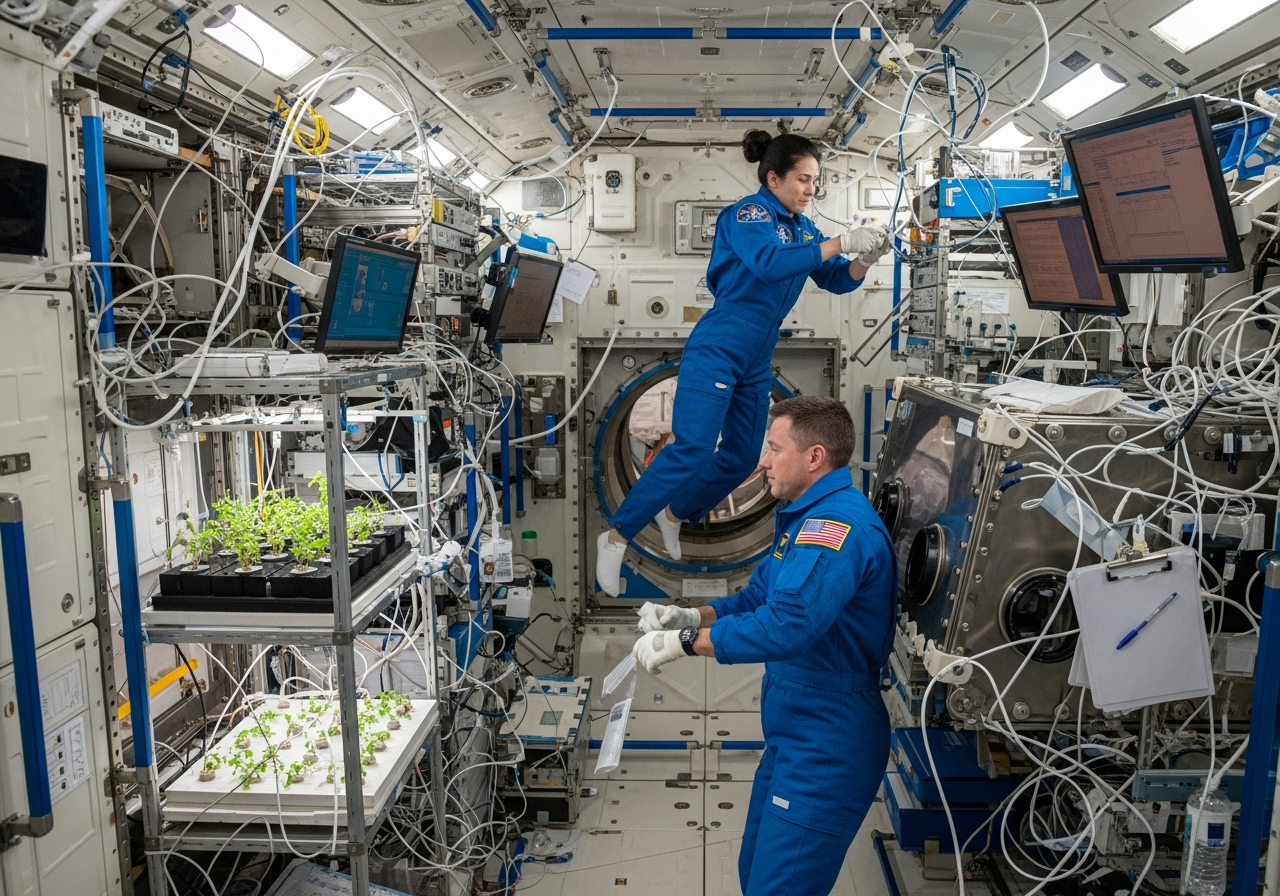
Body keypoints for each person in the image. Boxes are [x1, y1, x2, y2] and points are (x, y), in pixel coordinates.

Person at [595, 130, 893, 595]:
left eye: (816, 181)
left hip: (757, 355)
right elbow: (769, 263)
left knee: (738, 458)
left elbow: (837, 281)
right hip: (720, 345)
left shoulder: (802, 228)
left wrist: (866, 259)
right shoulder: (748, 214)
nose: (811, 190)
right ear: (773, 178)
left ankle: (674, 513)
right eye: (803, 179)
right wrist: (841, 241)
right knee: (692, 447)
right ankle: (615, 537)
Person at [631, 396, 897, 896]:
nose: (762, 461)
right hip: (795, 732)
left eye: (774, 448)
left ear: (814, 457)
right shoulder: (802, 516)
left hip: (829, 739)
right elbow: (758, 597)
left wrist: (684, 642)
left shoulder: (834, 529)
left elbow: (785, 627)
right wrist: (694, 614)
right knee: (756, 874)